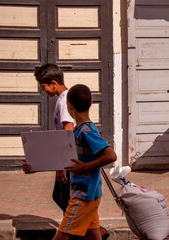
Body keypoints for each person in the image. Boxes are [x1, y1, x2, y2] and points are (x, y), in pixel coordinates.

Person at [54, 83, 117, 240]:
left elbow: (111, 155)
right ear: (91, 104)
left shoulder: (87, 131)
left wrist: (85, 167)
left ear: (69, 107)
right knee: (93, 234)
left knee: (62, 236)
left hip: (83, 195)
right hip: (90, 193)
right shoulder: (80, 130)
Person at [33, 63, 75, 212]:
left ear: (54, 83)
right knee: (64, 199)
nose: (43, 90)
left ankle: (84, 231)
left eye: (43, 86)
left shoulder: (64, 101)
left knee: (65, 200)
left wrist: (62, 167)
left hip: (69, 160)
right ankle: (91, 231)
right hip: (69, 159)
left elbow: (67, 132)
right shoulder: (63, 98)